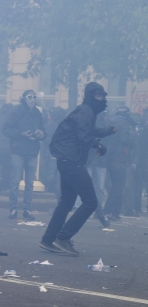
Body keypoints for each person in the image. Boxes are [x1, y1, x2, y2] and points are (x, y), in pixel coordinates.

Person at [39, 82, 116, 256]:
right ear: (90, 95)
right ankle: (63, 238)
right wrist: (99, 146)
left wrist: (106, 131)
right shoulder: (85, 111)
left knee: (66, 202)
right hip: (72, 161)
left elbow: (87, 130)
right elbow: (85, 136)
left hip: (67, 160)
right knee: (90, 201)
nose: (101, 99)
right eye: (97, 96)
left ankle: (48, 239)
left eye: (103, 96)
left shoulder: (85, 111)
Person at [3, 90, 46, 220]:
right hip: (18, 150)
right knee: (15, 181)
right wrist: (21, 134)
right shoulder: (17, 111)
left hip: (32, 150)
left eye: (34, 97)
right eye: (29, 97)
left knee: (30, 183)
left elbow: (44, 130)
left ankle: (27, 209)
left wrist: (41, 134)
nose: (32, 99)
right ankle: (14, 208)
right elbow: (5, 129)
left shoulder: (38, 113)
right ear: (24, 98)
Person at [103, 106, 136, 220]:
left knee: (115, 185)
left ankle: (115, 212)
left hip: (110, 156)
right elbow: (124, 139)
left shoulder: (111, 121)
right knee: (118, 186)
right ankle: (108, 211)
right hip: (120, 157)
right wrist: (133, 142)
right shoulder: (124, 124)